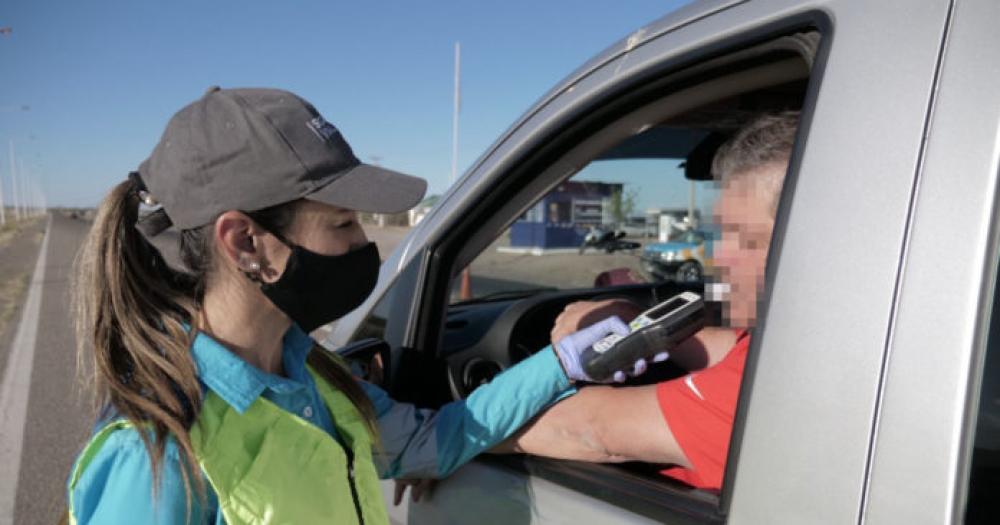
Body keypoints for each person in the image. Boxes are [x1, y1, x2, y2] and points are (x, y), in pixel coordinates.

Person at [65, 86, 654, 524]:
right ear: (245, 242)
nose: (362, 246)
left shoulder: (315, 380)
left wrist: (567, 362)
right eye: (343, 222)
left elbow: (437, 440)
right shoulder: (159, 452)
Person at [494, 111, 799, 492]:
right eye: (721, 232)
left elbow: (591, 428)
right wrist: (638, 324)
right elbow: (733, 349)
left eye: (746, 238)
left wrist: (440, 442)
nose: (720, 256)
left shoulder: (774, 390)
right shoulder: (800, 345)